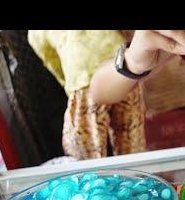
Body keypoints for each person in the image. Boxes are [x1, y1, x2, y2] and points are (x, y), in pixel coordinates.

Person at [29, 30, 146, 159]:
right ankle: (137, 171)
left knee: (87, 147)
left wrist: (67, 84)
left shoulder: (36, 33)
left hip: (83, 79)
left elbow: (49, 58)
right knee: (130, 134)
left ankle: (94, 176)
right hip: (122, 66)